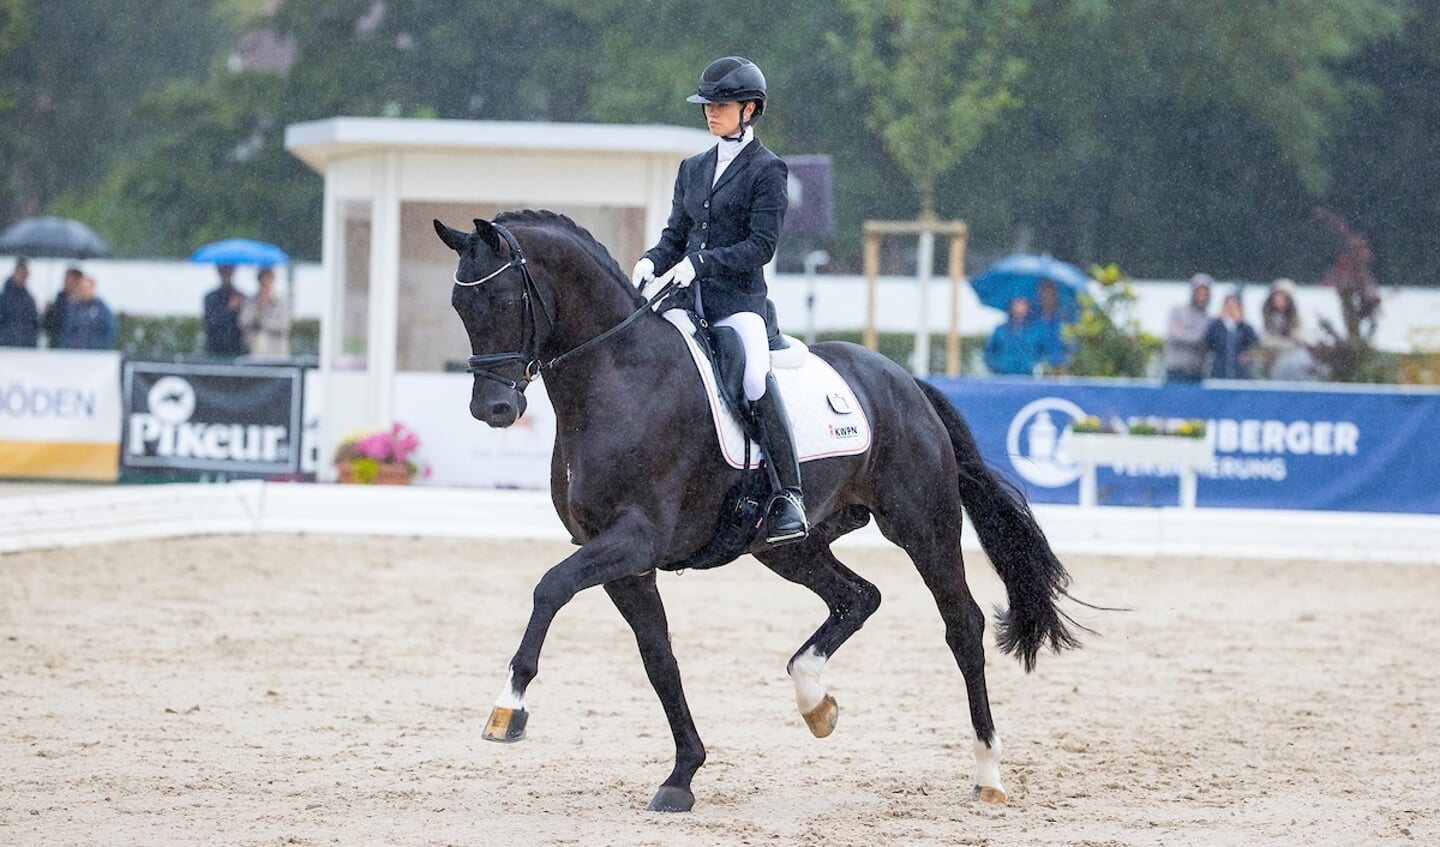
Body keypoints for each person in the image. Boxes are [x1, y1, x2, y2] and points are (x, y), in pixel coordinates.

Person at [629, 55, 806, 545]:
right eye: (707, 105)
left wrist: (700, 264)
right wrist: (652, 260)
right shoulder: (692, 167)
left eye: (722, 105)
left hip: (738, 303)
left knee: (751, 375)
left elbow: (760, 247)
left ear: (750, 109)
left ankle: (788, 494)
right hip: (686, 299)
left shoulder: (768, 170)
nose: (711, 113)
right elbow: (675, 236)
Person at [1257, 277, 1316, 380]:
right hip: (1272, 354)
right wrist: (1279, 343)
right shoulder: (1267, 316)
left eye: (1283, 296)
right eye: (1277, 296)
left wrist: (1291, 342)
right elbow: (1264, 338)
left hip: (1293, 355)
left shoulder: (1297, 317)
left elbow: (1301, 336)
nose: (1279, 299)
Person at [1163, 273, 1213, 382]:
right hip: (1175, 371)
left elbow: (1205, 341)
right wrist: (1198, 337)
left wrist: (1185, 332)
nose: (1202, 295)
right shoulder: (1178, 311)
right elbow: (1174, 337)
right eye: (1199, 291)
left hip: (1196, 373)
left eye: (1205, 292)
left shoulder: (1209, 319)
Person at [984, 296, 1047, 375]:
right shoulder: (1000, 330)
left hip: (1028, 377)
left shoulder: (1037, 331)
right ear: (1011, 305)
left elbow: (1043, 352)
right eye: (1017, 303)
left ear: (1028, 306)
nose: (1019, 307)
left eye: (1023, 303)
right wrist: (997, 366)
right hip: (1004, 377)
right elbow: (989, 352)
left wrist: (1033, 365)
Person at [1202, 291, 1259, 379]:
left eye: (1234, 306)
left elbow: (1255, 345)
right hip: (1219, 371)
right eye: (1228, 305)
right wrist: (1217, 321)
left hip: (1240, 372)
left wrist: (1248, 355)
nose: (1231, 309)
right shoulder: (1217, 326)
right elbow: (1207, 342)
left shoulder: (1245, 328)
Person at [239, 266, 291, 357]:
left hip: (276, 354)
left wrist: (263, 319)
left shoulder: (281, 303)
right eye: (263, 279)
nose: (265, 283)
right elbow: (243, 322)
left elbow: (284, 325)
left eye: (268, 279)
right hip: (255, 353)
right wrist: (258, 307)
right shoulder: (250, 302)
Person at [58, 274, 118, 350]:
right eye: (81, 288)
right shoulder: (74, 307)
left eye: (85, 288)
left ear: (92, 287)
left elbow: (110, 328)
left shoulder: (101, 307)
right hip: (75, 352)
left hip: (95, 352)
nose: (83, 291)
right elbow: (67, 330)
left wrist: (102, 346)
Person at [202, 264, 247, 357]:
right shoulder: (211, 297)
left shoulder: (241, 296)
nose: (226, 274)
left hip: (237, 348)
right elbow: (211, 321)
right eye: (223, 270)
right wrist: (229, 308)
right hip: (215, 348)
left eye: (229, 270)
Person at [1033, 278, 1075, 372]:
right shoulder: (1033, 318)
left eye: (1049, 294)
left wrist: (1063, 363)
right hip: (1036, 370)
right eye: (1043, 294)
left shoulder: (1065, 319)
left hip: (1061, 370)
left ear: (1055, 295)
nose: (1046, 298)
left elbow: (1072, 346)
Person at [0, 257, 38, 347]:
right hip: (5, 346)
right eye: (21, 272)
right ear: (15, 272)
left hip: (25, 347)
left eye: (25, 273)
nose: (23, 276)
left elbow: (34, 325)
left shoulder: (30, 299)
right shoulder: (3, 298)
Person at [42, 266, 84, 347]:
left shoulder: (85, 303)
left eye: (69, 280)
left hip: (76, 348)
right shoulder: (59, 300)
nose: (65, 282)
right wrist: (48, 312)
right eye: (65, 279)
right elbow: (49, 326)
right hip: (58, 345)